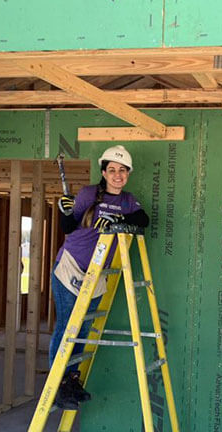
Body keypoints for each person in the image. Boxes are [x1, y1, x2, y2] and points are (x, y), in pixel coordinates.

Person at [50, 145, 149, 409]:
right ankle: (57, 386)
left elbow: (143, 220)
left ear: (128, 174)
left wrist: (117, 221)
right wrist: (65, 210)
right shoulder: (89, 194)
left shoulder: (127, 201)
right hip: (71, 265)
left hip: (96, 273)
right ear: (104, 172)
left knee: (82, 329)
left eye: (122, 171)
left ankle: (71, 380)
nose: (117, 175)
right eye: (112, 170)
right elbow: (68, 227)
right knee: (67, 326)